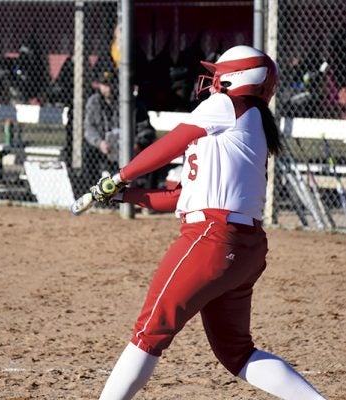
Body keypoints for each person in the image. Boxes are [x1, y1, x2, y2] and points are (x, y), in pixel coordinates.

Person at [88, 45, 326, 400]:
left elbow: (168, 145)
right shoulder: (242, 125)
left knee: (148, 332)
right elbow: (178, 198)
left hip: (211, 238)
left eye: (219, 74)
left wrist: (120, 175)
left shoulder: (226, 106)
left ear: (238, 79)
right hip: (243, 246)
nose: (212, 81)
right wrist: (123, 195)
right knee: (238, 353)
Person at [82, 69, 156, 192]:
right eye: (105, 85)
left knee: (151, 152)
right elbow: (89, 128)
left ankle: (146, 199)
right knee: (88, 154)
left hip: (130, 146)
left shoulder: (133, 103)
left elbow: (146, 129)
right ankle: (96, 195)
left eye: (111, 84)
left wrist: (137, 144)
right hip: (105, 147)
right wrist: (100, 143)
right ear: (99, 86)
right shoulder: (94, 102)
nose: (109, 89)